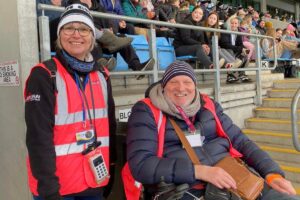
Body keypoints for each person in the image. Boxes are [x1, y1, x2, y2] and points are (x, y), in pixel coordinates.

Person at [126, 60, 299, 200]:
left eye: (187, 82)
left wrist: (272, 172)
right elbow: (141, 165)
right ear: (164, 86)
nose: (181, 88)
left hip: (234, 178)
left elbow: (241, 141)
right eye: (173, 82)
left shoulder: (208, 105)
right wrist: (200, 171)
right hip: (188, 188)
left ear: (195, 86)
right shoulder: (146, 110)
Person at [25, 4, 117, 200]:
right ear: (59, 35)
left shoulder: (102, 75)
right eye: (68, 28)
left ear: (92, 37)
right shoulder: (44, 75)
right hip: (57, 189)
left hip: (94, 182)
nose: (76, 35)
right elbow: (38, 138)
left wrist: (110, 171)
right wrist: (49, 191)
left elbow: (110, 125)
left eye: (83, 29)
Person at [219, 17, 251, 83]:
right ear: (229, 24)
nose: (233, 25)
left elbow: (240, 44)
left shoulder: (238, 33)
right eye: (232, 23)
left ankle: (241, 74)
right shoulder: (225, 31)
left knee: (245, 56)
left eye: (235, 23)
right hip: (226, 51)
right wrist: (240, 49)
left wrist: (244, 49)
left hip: (234, 50)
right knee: (231, 51)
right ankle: (230, 75)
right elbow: (225, 44)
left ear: (238, 24)